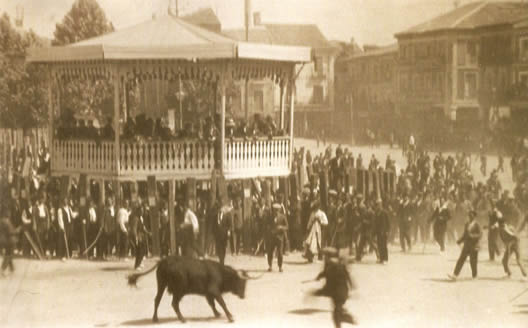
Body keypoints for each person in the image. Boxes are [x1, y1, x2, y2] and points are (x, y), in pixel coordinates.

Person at [310, 248, 357, 328]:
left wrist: (317, 292)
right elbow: (347, 276)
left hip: (338, 294)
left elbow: (329, 285)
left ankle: (346, 318)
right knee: (337, 311)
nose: (324, 258)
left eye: (326, 256)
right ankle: (345, 316)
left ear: (329, 257)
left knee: (336, 316)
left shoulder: (331, 267)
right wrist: (319, 276)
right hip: (342, 293)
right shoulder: (337, 265)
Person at [448, 210, 482, 280]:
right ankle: (455, 275)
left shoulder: (477, 224)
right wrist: (459, 241)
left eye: (471, 215)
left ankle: (474, 276)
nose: (470, 216)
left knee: (473, 262)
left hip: (474, 245)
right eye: (469, 215)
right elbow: (465, 235)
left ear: (474, 216)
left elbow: (480, 235)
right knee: (461, 260)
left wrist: (472, 236)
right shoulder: (467, 224)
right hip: (466, 245)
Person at [266, 203, 289, 272]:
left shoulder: (283, 217)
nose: (276, 211)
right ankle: (270, 266)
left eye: (277, 210)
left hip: (280, 237)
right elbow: (267, 225)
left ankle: (280, 266)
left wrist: (281, 227)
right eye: (274, 210)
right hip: (272, 237)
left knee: (280, 252)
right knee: (270, 252)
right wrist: (270, 230)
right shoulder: (269, 217)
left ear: (279, 210)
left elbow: (287, 227)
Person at [1, 206, 20, 276]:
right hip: (9, 240)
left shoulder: (1, 221)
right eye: (9, 212)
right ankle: (3, 268)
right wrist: (18, 230)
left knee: (8, 253)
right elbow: (11, 232)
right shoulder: (7, 221)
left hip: (3, 240)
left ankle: (12, 269)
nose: (10, 214)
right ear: (6, 213)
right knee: (9, 255)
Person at [373, 198, 390, 264]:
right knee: (379, 245)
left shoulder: (385, 212)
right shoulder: (376, 213)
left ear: (381, 205)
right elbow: (375, 223)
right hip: (378, 232)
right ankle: (381, 258)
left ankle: (385, 259)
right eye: (377, 205)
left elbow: (388, 223)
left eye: (379, 204)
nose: (378, 206)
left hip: (384, 232)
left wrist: (387, 231)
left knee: (384, 245)